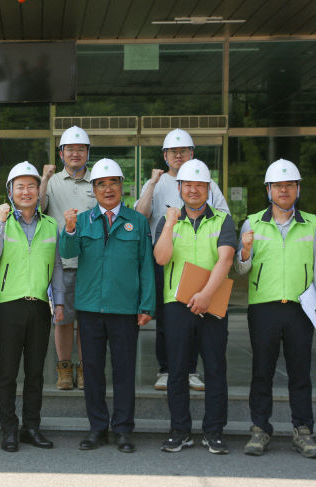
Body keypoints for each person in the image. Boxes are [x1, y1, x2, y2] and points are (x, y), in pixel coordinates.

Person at [234, 159, 316, 459]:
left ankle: (303, 431)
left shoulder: (312, 223)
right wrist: (246, 250)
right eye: (278, 185)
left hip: (300, 309)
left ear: (298, 189)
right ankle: (260, 429)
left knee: (300, 372)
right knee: (261, 371)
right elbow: (240, 270)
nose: (284, 190)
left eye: (289, 185)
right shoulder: (252, 223)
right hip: (263, 308)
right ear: (268, 190)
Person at [60, 158, 155, 452]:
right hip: (89, 309)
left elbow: (146, 267)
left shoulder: (137, 221)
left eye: (113, 182)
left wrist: (146, 305)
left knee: (125, 372)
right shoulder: (83, 220)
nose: (108, 188)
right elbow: (67, 252)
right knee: (92, 371)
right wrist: (70, 229)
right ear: (94, 189)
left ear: (121, 186)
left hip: (125, 309)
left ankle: (124, 430)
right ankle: (98, 428)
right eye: (101, 184)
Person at [135, 129, 230, 392]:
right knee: (167, 318)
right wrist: (152, 183)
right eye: (173, 152)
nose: (179, 155)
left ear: (192, 153)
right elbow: (140, 216)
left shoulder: (206, 183)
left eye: (184, 151)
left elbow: (223, 216)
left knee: (199, 319)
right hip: (166, 260)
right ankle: (165, 369)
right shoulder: (156, 183)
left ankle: (191, 370)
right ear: (165, 156)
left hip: (201, 260)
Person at [153, 159, 236, 455]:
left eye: (200, 185)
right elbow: (161, 259)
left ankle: (213, 432)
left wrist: (205, 295)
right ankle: (180, 430)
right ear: (179, 188)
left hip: (211, 303)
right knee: (177, 370)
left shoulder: (223, 220)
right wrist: (171, 223)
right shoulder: (168, 221)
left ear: (208, 189)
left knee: (215, 369)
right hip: (176, 304)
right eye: (188, 185)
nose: (194, 190)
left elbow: (225, 260)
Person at [0, 161, 64, 452]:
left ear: (39, 190)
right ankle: (9, 429)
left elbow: (55, 266)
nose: (27, 191)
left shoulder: (51, 224)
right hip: (9, 306)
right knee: (7, 372)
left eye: (32, 186)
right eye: (20, 186)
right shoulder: (1, 223)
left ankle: (31, 426)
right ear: (10, 192)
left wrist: (60, 302)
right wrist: (1, 221)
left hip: (40, 307)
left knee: (35, 372)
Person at [39, 126, 97, 390]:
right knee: (61, 318)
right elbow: (38, 209)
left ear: (88, 153)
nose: (75, 154)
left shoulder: (98, 180)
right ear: (61, 153)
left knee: (86, 320)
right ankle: (64, 368)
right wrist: (42, 179)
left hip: (90, 261)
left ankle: (85, 369)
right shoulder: (51, 181)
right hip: (60, 261)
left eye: (80, 149)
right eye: (70, 149)